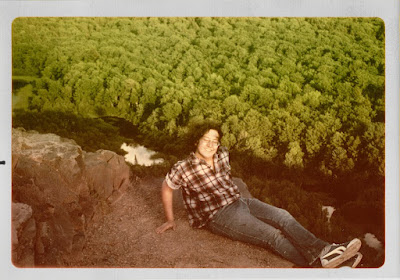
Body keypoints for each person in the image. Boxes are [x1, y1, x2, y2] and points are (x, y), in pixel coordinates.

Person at [156, 120, 363, 268]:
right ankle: (321, 267)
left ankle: (326, 252)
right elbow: (167, 187)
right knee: (272, 235)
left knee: (283, 216)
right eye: (205, 139)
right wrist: (169, 219)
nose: (211, 144)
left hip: (240, 201)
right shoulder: (184, 167)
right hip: (218, 215)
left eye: (215, 140)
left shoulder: (222, 154)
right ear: (195, 141)